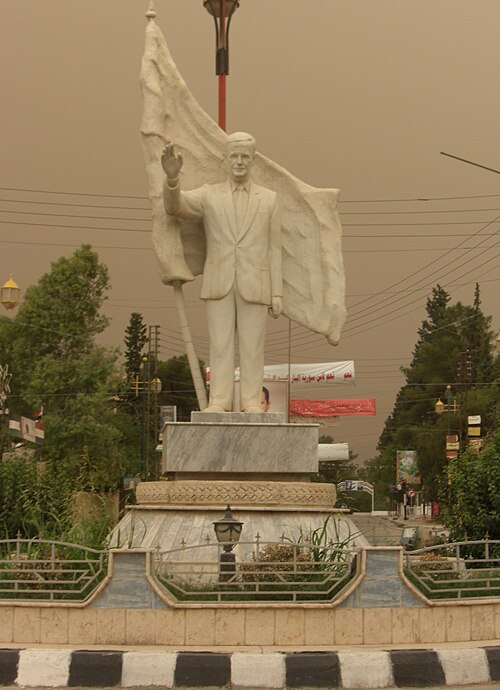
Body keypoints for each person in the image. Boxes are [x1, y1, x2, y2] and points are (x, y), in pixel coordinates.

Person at [162, 132, 283, 413]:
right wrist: (172, 179)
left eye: (244, 157)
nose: (239, 162)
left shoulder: (269, 199)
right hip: (220, 282)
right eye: (234, 156)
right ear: (225, 160)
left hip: (256, 283)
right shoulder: (209, 194)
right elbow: (175, 207)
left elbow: (274, 248)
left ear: (253, 160)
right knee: (220, 346)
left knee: (253, 348)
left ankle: (252, 402)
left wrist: (277, 292)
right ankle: (219, 401)